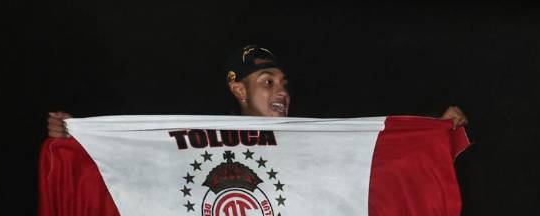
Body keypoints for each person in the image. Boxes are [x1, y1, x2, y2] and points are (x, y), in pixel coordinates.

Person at [46, 44, 467, 137]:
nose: (281, 91)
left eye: (284, 84)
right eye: (267, 82)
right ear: (237, 90)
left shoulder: (313, 137)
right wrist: (73, 141)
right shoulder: (200, 140)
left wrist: (433, 134)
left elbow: (382, 160)